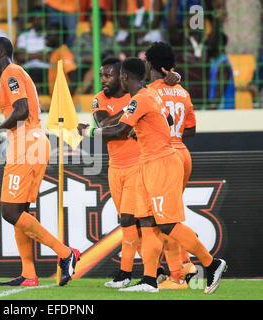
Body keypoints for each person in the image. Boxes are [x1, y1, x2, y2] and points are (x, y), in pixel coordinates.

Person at [84, 57, 226, 293]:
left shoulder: (140, 99)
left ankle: (211, 263)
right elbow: (167, 119)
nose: (118, 79)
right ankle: (150, 280)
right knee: (148, 223)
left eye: (119, 76)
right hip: (148, 164)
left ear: (125, 77)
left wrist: (88, 132)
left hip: (161, 163)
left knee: (167, 223)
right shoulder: (150, 96)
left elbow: (119, 129)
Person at [0, 37, 81, 287]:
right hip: (28, 141)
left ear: (0, 52)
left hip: (26, 145)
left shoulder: (10, 73)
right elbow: (20, 113)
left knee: (10, 212)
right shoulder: (13, 74)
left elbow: (21, 112)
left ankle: (66, 253)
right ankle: (29, 274)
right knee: (19, 212)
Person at [78, 56, 182, 288]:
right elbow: (105, 125)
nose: (104, 79)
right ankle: (153, 271)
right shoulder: (100, 99)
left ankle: (138, 274)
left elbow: (164, 119)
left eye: (109, 75)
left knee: (135, 220)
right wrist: (130, 112)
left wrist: (129, 115)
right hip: (115, 168)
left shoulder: (138, 96)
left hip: (139, 164)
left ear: (122, 75)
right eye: (101, 75)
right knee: (128, 223)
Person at [146, 41, 198, 289]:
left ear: (150, 65)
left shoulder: (150, 92)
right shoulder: (183, 91)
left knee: (164, 220)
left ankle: (177, 275)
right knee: (170, 216)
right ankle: (186, 264)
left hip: (163, 155)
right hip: (182, 153)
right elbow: (192, 130)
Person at [73, 9, 117, 94]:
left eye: (97, 21)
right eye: (91, 21)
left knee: (99, 67)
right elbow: (75, 57)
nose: (93, 24)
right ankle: (86, 93)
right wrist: (87, 59)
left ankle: (84, 94)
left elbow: (118, 55)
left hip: (106, 68)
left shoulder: (110, 39)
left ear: (103, 23)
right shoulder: (82, 38)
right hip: (83, 69)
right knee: (97, 67)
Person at [15, 6, 50, 95]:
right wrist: (41, 54)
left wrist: (29, 55)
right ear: (31, 21)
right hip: (28, 70)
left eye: (41, 18)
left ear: (46, 20)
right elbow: (21, 57)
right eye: (35, 19)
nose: (38, 21)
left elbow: (50, 58)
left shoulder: (51, 35)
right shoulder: (24, 36)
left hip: (46, 70)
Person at [46, 23, 78, 96]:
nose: (46, 37)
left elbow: (74, 79)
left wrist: (65, 101)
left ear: (58, 37)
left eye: (49, 34)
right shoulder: (55, 52)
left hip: (69, 105)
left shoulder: (64, 52)